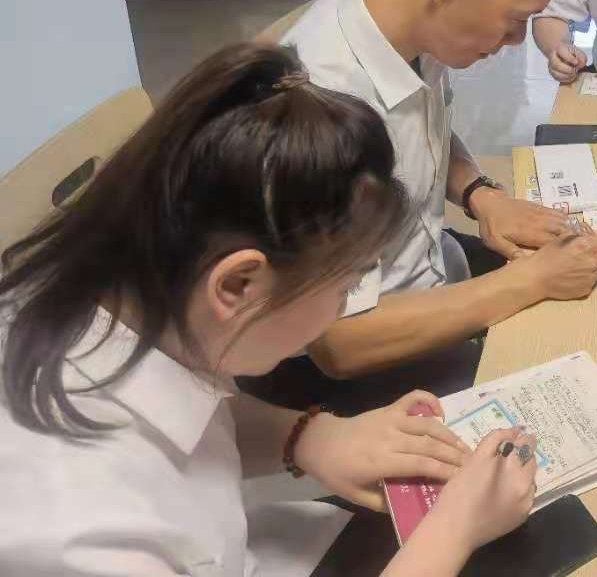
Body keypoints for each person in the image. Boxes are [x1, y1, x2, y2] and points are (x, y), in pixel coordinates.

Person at [0, 45, 540, 576]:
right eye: (347, 285)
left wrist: (305, 437)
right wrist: (455, 528)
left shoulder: (124, 296)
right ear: (238, 284)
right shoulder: (83, 534)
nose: (344, 307)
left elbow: (187, 408)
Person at [264, 0, 597, 408]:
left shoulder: (397, 17)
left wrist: (482, 195)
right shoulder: (318, 104)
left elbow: (418, 128)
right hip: (359, 354)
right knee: (566, 385)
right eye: (515, 21)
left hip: (426, 265)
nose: (517, 42)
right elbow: (342, 343)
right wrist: (530, 283)